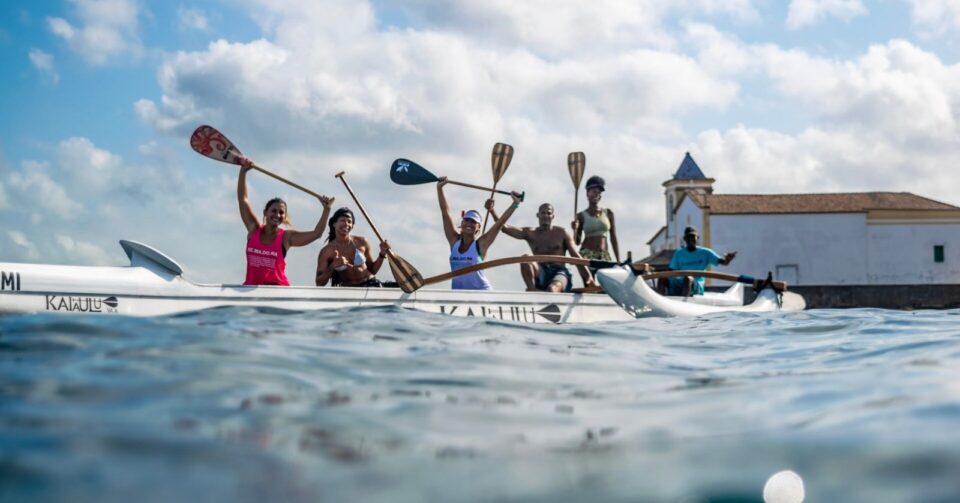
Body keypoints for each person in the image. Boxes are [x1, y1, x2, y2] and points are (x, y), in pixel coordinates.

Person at [237, 159, 334, 286]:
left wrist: (326, 210)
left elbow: (317, 234)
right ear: (265, 212)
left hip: (278, 291)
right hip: (250, 288)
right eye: (273, 211)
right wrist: (243, 171)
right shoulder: (253, 228)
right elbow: (243, 199)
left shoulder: (286, 237)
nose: (277, 215)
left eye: (281, 212)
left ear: (285, 216)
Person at [487, 202, 597, 292]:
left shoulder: (562, 233)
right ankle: (532, 291)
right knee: (526, 258)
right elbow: (504, 228)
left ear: (553, 216)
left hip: (559, 272)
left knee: (552, 289)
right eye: (543, 213)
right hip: (541, 272)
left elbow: (575, 256)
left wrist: (589, 277)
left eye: (548, 213)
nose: (545, 216)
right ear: (538, 215)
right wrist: (492, 211)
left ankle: (552, 295)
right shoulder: (530, 233)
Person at [437, 177, 522, 290]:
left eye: (473, 222)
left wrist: (515, 204)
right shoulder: (454, 240)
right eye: (467, 220)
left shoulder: (481, 244)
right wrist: (439, 189)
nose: (469, 223)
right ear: (462, 223)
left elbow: (499, 224)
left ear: (478, 228)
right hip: (458, 295)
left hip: (482, 295)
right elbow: (445, 213)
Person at [315, 207, 392, 287]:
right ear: (334, 224)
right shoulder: (327, 251)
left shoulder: (362, 242)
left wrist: (382, 254)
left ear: (352, 226)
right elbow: (319, 283)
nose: (346, 224)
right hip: (349, 290)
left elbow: (372, 270)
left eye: (349, 222)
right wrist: (333, 265)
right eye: (342, 220)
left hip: (371, 284)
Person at [664, 226, 737, 296]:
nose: (691, 239)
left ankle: (684, 304)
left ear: (697, 238)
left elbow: (724, 262)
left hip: (696, 284)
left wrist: (728, 259)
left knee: (688, 279)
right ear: (685, 239)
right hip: (681, 283)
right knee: (662, 279)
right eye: (688, 237)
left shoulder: (706, 253)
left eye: (693, 237)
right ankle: (660, 304)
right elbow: (671, 272)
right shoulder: (678, 254)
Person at [572, 175, 620, 263]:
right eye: (594, 191)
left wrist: (618, 260)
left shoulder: (608, 213)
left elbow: (613, 238)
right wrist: (574, 230)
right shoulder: (580, 216)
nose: (596, 194)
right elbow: (577, 242)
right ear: (587, 193)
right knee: (590, 277)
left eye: (599, 193)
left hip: (603, 255)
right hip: (586, 255)